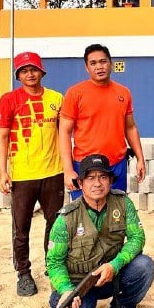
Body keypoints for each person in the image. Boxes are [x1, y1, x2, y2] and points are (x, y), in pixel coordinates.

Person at [46, 153, 154, 308]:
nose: (97, 183)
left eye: (103, 177)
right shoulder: (66, 218)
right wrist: (65, 290)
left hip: (111, 276)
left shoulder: (123, 203)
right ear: (80, 184)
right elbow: (54, 262)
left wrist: (115, 265)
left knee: (144, 266)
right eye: (90, 178)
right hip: (78, 284)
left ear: (110, 181)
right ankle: (62, 302)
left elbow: (137, 238)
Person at [0, 51, 64, 297]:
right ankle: (23, 273)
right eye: (24, 71)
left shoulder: (57, 98)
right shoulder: (9, 99)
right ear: (18, 75)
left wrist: (68, 168)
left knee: (55, 225)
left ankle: (53, 266)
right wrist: (3, 172)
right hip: (23, 175)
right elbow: (1, 137)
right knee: (21, 227)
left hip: (54, 172)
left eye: (33, 69)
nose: (30, 74)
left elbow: (64, 134)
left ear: (42, 71)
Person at [59, 44, 146, 199]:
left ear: (110, 63)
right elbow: (64, 132)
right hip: (84, 166)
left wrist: (140, 158)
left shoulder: (123, 92)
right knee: (86, 219)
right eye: (93, 63)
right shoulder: (75, 93)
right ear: (87, 68)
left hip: (116, 165)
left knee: (115, 216)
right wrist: (67, 169)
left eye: (103, 61)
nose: (99, 67)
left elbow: (130, 128)